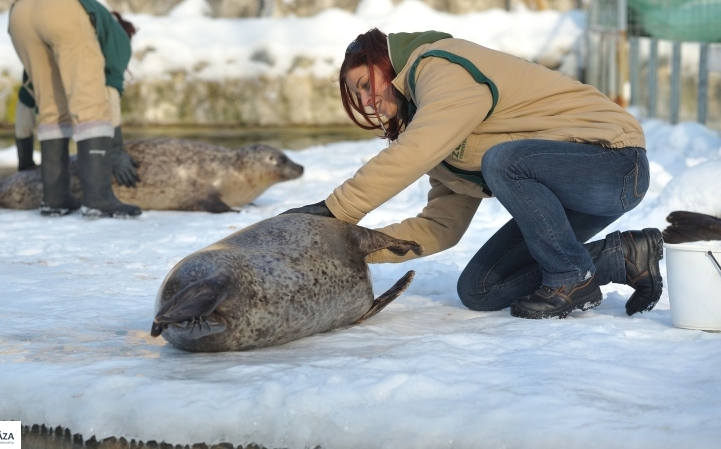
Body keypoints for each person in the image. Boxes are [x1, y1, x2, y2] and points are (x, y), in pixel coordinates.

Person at [283, 28, 663, 320]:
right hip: (571, 195)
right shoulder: (437, 129)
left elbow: (414, 151)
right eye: (357, 95)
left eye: (366, 85)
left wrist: (335, 211)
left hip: (615, 164)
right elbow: (440, 227)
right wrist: (353, 246)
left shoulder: (440, 66)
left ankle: (570, 274)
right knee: (480, 289)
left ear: (387, 63)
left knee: (502, 162)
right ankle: (621, 257)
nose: (367, 101)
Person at [8, 0, 141, 218]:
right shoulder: (119, 37)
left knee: (51, 109)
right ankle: (98, 199)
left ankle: (55, 199)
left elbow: (26, 103)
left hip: (19, 12)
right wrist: (115, 150)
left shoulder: (94, 19)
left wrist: (25, 166)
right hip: (61, 8)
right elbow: (108, 94)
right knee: (90, 105)